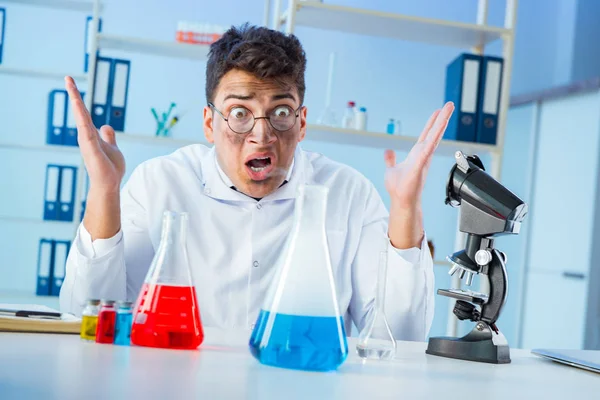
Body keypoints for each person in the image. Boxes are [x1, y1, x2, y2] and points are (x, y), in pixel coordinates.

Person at [59, 23, 454, 341]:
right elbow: (85, 316)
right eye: (239, 113)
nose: (261, 134)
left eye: (280, 111)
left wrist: (406, 206)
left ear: (301, 123)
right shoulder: (160, 182)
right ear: (210, 123)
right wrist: (104, 192)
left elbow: (401, 338)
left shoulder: (348, 193)